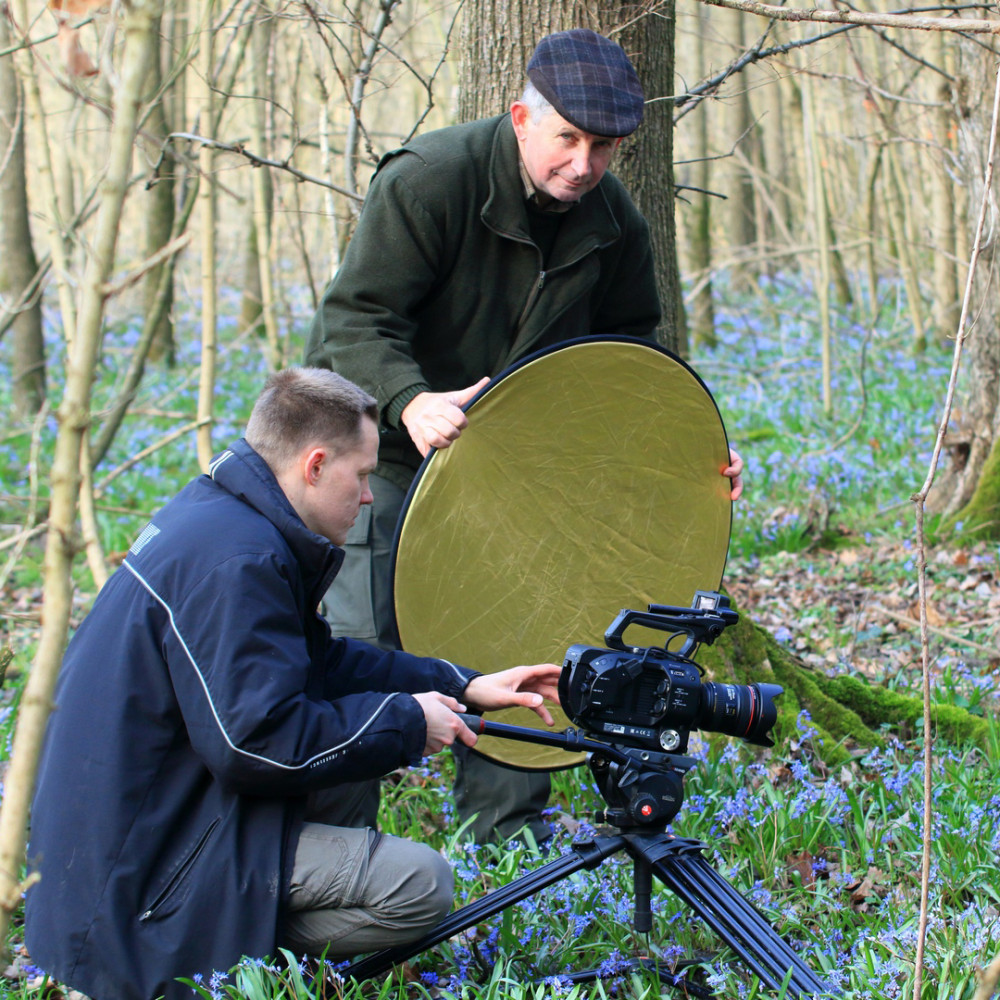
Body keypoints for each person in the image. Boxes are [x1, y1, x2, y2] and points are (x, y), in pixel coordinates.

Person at [305, 28, 744, 846]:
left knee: (517, 632)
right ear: (520, 119)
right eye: (567, 138)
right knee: (359, 637)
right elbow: (353, 319)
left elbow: (632, 366)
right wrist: (409, 400)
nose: (583, 163)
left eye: (603, 146)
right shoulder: (431, 182)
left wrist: (689, 456)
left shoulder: (614, 222)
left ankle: (501, 845)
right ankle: (334, 856)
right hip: (388, 450)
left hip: (519, 468)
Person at [23, 368, 562, 1000]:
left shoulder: (225, 518)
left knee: (354, 754)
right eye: (361, 476)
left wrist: (464, 685)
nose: (367, 497)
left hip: (139, 833)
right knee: (422, 885)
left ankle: (244, 945)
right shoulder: (240, 562)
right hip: (136, 884)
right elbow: (255, 744)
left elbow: (319, 666)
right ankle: (223, 967)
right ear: (313, 465)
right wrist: (410, 723)